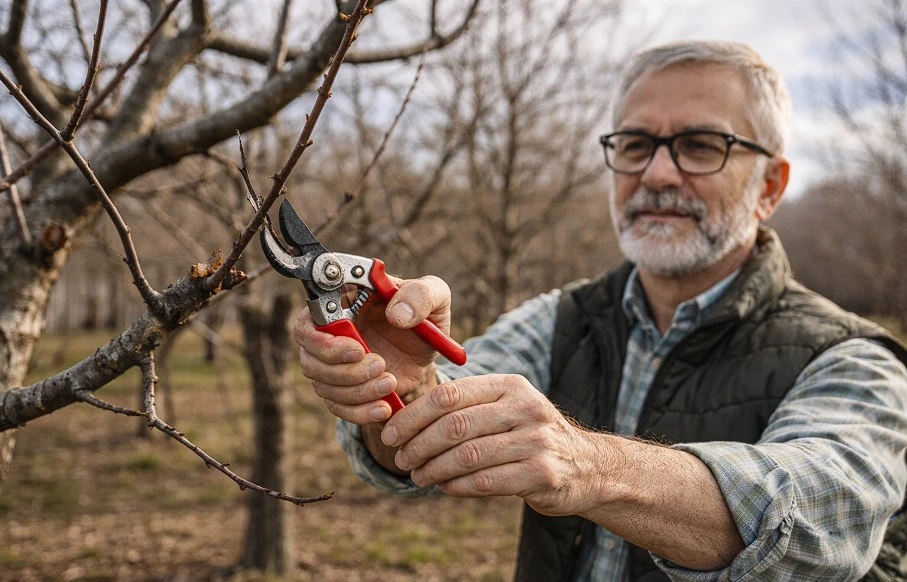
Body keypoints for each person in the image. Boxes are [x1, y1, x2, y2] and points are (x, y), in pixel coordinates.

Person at [293, 39, 907, 581]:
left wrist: (588, 466)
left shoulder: (853, 360)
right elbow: (424, 445)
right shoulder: (560, 318)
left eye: (700, 146)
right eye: (635, 145)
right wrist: (406, 388)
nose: (657, 173)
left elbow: (826, 521)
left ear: (770, 186)